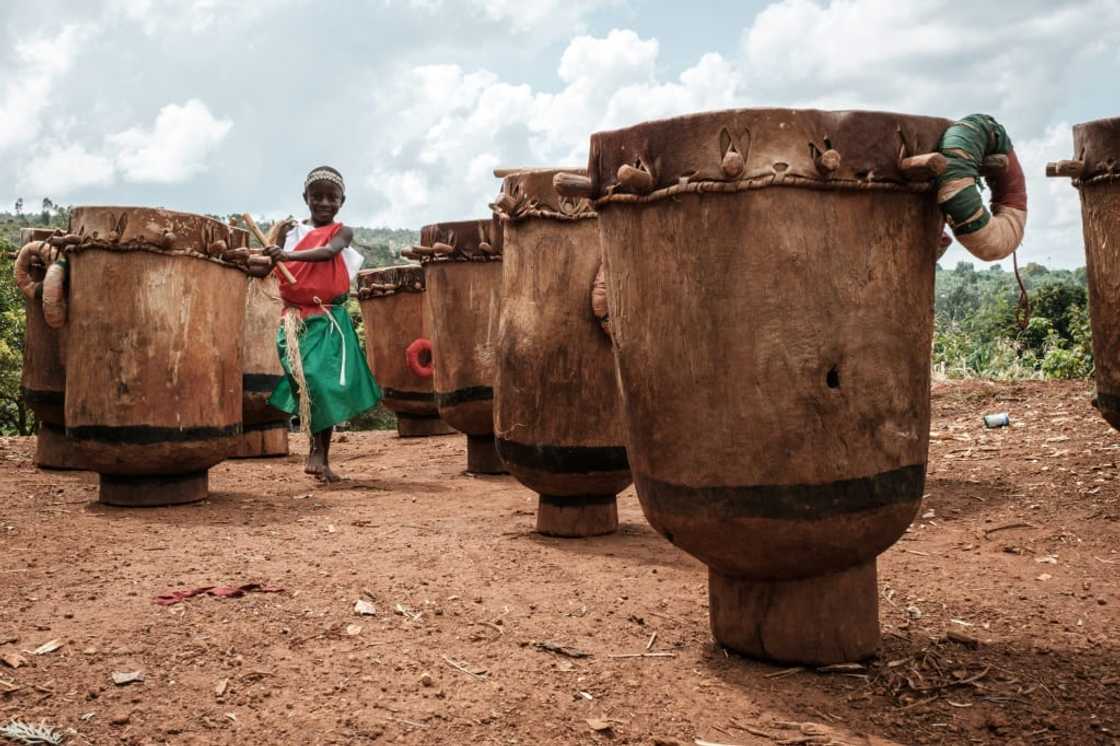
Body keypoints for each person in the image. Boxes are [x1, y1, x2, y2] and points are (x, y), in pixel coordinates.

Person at [258, 166, 380, 481]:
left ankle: (318, 454)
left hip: (329, 320)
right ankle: (318, 454)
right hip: (295, 320)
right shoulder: (288, 231)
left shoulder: (343, 231)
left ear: (342, 200)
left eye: (332, 197)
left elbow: (328, 252)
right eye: (317, 197)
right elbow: (266, 266)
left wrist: (286, 257)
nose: (324, 203)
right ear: (305, 198)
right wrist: (270, 254)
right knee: (307, 383)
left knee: (321, 384)